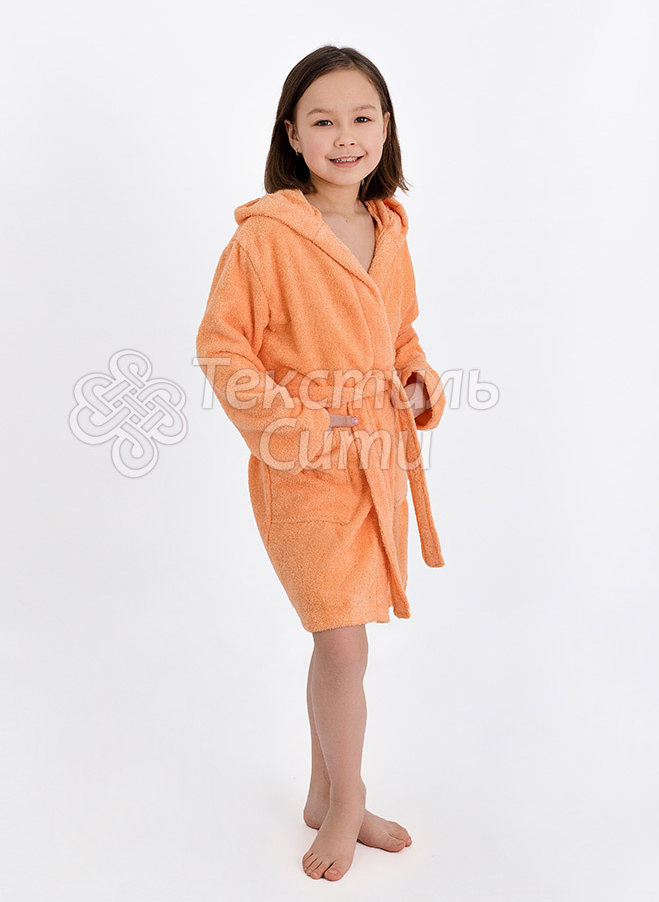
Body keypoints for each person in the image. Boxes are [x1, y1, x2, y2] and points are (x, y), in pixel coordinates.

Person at [196, 45, 447, 881]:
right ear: (292, 135)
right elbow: (222, 349)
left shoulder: (388, 229)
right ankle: (348, 800)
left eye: (361, 117)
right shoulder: (266, 239)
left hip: (375, 456)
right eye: (323, 120)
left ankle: (319, 792)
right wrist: (300, 423)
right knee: (342, 646)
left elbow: (399, 333)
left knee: (340, 640)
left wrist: (416, 378)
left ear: (386, 127)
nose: (345, 136)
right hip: (303, 465)